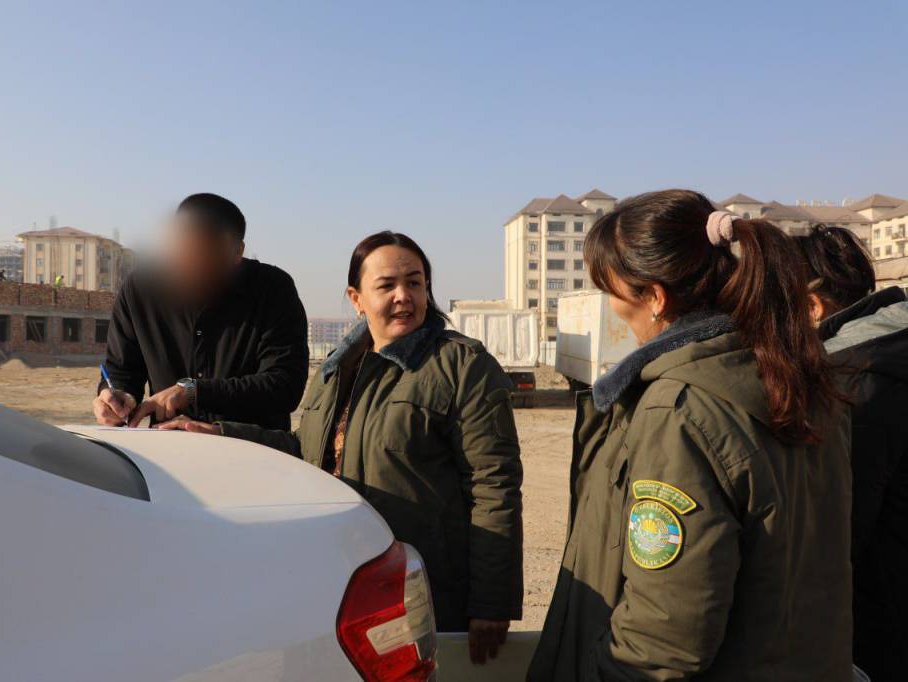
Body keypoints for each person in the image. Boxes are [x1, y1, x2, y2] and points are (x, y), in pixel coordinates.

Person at [528, 190, 852, 681]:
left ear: (655, 298)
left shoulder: (680, 407)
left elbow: (665, 634)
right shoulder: (794, 374)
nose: (612, 307)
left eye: (611, 291)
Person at [158, 231, 524, 664]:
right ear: (356, 298)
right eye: (387, 285)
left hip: (419, 587)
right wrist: (219, 434)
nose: (404, 296)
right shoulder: (337, 369)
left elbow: (494, 486)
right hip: (341, 580)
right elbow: (308, 453)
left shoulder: (462, 366)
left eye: (415, 283)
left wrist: (491, 603)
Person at [796, 224, 908, 682]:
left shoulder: (855, 381)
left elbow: (842, 528)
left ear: (812, 307)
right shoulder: (890, 349)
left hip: (880, 625)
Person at [92, 193, 309, 430]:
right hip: (168, 445)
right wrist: (116, 397)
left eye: (206, 258)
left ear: (237, 251)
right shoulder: (140, 291)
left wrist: (195, 392)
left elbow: (285, 386)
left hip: (247, 446)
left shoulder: (272, 290)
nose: (190, 268)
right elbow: (121, 370)